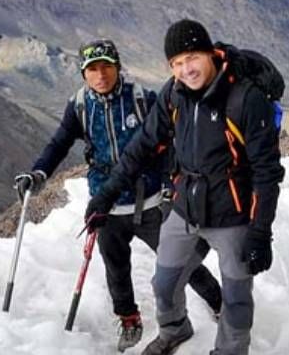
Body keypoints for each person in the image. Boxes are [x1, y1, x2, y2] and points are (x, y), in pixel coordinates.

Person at [85, 20, 285, 355]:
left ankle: (230, 351)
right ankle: (175, 330)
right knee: (164, 283)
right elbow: (142, 145)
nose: (185, 69)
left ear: (209, 53)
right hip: (186, 207)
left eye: (191, 57)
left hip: (232, 214)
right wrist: (106, 194)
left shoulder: (244, 99)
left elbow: (267, 172)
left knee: (235, 296)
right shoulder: (174, 93)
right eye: (176, 63)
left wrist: (261, 232)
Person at [14, 38, 223, 352]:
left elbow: (170, 141)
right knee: (116, 271)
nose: (101, 75)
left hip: (151, 201)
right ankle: (128, 319)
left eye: (106, 67)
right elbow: (58, 145)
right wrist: (38, 174)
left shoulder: (142, 99)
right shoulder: (80, 106)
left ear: (117, 67)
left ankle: (219, 302)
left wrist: (170, 185)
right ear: (84, 73)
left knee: (181, 263)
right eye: (93, 69)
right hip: (106, 206)